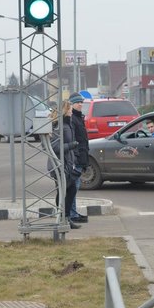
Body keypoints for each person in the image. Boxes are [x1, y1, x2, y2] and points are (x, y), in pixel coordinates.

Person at [47, 100, 81, 229]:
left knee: (70, 189)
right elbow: (54, 147)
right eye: (70, 109)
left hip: (68, 164)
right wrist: (71, 145)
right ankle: (62, 218)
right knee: (63, 191)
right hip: (58, 165)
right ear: (65, 110)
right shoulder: (58, 126)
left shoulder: (68, 124)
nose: (72, 112)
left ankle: (65, 218)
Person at [68, 92, 88, 223]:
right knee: (73, 187)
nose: (81, 104)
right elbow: (73, 140)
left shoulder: (79, 117)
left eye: (81, 102)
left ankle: (73, 213)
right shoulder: (72, 119)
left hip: (81, 156)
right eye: (78, 102)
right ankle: (72, 214)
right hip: (76, 158)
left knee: (75, 186)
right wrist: (75, 159)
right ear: (72, 104)